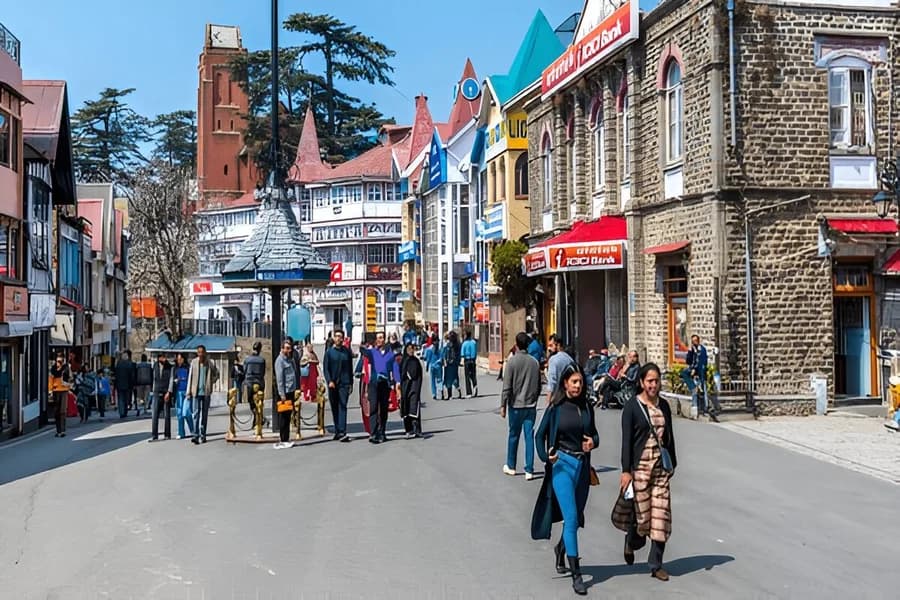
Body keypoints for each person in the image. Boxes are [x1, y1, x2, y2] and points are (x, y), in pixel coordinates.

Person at [532, 364, 599, 596]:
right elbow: (539, 435)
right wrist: (545, 457)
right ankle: (577, 574)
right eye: (574, 382)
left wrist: (593, 443)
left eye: (580, 382)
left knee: (576, 518)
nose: (578, 386)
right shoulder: (556, 408)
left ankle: (561, 549)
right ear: (565, 383)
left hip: (582, 467)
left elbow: (595, 434)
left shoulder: (587, 407)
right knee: (570, 518)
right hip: (561, 465)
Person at [618, 363, 677, 582]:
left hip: (660, 468)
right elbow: (627, 441)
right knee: (643, 517)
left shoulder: (664, 406)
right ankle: (632, 540)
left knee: (661, 515)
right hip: (640, 468)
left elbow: (669, 436)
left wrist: (673, 464)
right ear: (642, 383)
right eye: (649, 381)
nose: (654, 385)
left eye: (656, 380)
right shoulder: (632, 407)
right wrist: (626, 471)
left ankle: (656, 564)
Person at [500, 332, 541, 480]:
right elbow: (538, 386)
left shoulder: (512, 362)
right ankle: (529, 469)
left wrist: (503, 405)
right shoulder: (534, 362)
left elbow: (507, 386)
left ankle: (511, 465)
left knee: (513, 435)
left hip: (515, 405)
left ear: (516, 344)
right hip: (530, 405)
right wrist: (534, 398)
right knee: (529, 436)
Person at [359, 332, 401, 444]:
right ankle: (373, 433)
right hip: (374, 383)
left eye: (381, 338)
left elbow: (395, 368)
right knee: (373, 408)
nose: (380, 340)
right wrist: (362, 344)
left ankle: (382, 432)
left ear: (385, 340)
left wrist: (397, 382)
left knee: (383, 409)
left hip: (385, 384)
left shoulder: (390, 354)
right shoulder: (372, 352)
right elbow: (363, 351)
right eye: (378, 338)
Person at [323, 330, 354, 442]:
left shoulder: (346, 352)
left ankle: (342, 431)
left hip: (344, 383)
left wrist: (351, 383)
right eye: (336, 336)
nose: (338, 338)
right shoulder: (329, 352)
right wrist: (329, 380)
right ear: (333, 338)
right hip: (333, 384)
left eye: (340, 337)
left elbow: (350, 369)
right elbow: (326, 369)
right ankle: (337, 430)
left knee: (342, 406)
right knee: (334, 407)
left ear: (343, 339)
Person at [187, 345, 219, 445]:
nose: (201, 354)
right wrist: (188, 392)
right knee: (196, 414)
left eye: (202, 352)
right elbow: (190, 377)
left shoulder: (210, 363)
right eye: (199, 352)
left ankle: (203, 434)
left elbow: (216, 374)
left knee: (204, 414)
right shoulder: (194, 362)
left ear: (205, 353)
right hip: (195, 392)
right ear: (197, 353)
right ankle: (195, 435)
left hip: (205, 392)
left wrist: (211, 382)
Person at [274, 339, 299, 449]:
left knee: (288, 415)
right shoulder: (280, 361)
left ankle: (286, 438)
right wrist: (282, 393)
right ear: (282, 349)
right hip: (284, 392)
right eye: (287, 348)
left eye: (290, 348)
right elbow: (280, 379)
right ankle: (283, 439)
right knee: (283, 416)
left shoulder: (290, 360)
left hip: (291, 390)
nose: (289, 350)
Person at [399, 342, 424, 439]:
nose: (411, 351)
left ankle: (417, 430)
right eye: (409, 349)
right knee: (406, 409)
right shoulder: (404, 361)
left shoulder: (415, 361)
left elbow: (416, 375)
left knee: (414, 409)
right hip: (405, 388)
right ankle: (408, 430)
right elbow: (401, 374)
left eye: (412, 349)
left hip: (414, 388)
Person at [149, 354, 174, 442]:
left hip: (165, 392)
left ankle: (167, 434)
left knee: (166, 414)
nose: (164, 359)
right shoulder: (155, 365)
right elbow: (153, 379)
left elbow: (171, 379)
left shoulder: (170, 367)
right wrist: (152, 390)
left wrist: (169, 392)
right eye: (162, 357)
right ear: (159, 358)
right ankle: (154, 435)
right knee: (154, 414)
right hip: (156, 391)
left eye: (165, 357)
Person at [545, 334, 576, 405]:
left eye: (551, 345)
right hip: (568, 396)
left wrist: (548, 401)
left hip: (557, 398)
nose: (549, 348)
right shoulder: (569, 359)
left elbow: (552, 382)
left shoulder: (553, 360)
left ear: (557, 345)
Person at [243, 342, 267, 431]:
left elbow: (244, 370)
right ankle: (258, 419)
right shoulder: (262, 360)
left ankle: (257, 419)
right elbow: (263, 372)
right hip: (259, 382)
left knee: (251, 402)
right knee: (259, 403)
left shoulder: (247, 360)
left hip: (249, 382)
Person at [49, 354, 73, 437]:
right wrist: (50, 391)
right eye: (58, 361)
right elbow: (50, 380)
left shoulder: (66, 369)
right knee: (56, 411)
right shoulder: (53, 369)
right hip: (56, 391)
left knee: (63, 411)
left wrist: (69, 386)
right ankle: (58, 430)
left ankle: (63, 430)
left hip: (64, 391)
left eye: (61, 361)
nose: (59, 363)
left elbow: (70, 378)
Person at [172, 353, 193, 439]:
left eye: (180, 359)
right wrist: (175, 381)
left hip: (187, 391)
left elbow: (190, 379)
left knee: (186, 412)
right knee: (179, 413)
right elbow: (173, 379)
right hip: (178, 391)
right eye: (178, 359)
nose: (179, 360)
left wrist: (190, 391)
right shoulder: (175, 369)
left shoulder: (188, 368)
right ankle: (181, 432)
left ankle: (193, 430)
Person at [114, 350, 137, 419]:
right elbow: (132, 375)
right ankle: (125, 411)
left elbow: (116, 374)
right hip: (127, 384)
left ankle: (121, 412)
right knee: (126, 399)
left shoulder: (118, 364)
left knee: (121, 398)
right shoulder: (129, 364)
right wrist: (133, 384)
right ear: (127, 357)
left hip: (119, 384)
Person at [423, 333, 443, 401]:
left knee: (432, 381)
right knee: (439, 379)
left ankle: (434, 394)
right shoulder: (440, 348)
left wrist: (427, 366)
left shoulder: (429, 349)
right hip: (438, 366)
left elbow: (427, 359)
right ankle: (441, 390)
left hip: (432, 366)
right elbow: (441, 357)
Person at [442, 331, 462, 400]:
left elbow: (444, 354)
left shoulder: (449, 345)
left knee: (449, 379)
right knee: (454, 378)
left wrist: (445, 361)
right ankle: (458, 391)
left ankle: (450, 395)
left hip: (449, 364)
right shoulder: (457, 345)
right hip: (453, 364)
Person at [461, 331, 478, 398]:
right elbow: (476, 352)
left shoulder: (464, 344)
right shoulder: (474, 342)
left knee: (467, 377)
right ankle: (475, 385)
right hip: (473, 360)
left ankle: (469, 393)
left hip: (467, 360)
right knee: (473, 375)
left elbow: (462, 354)